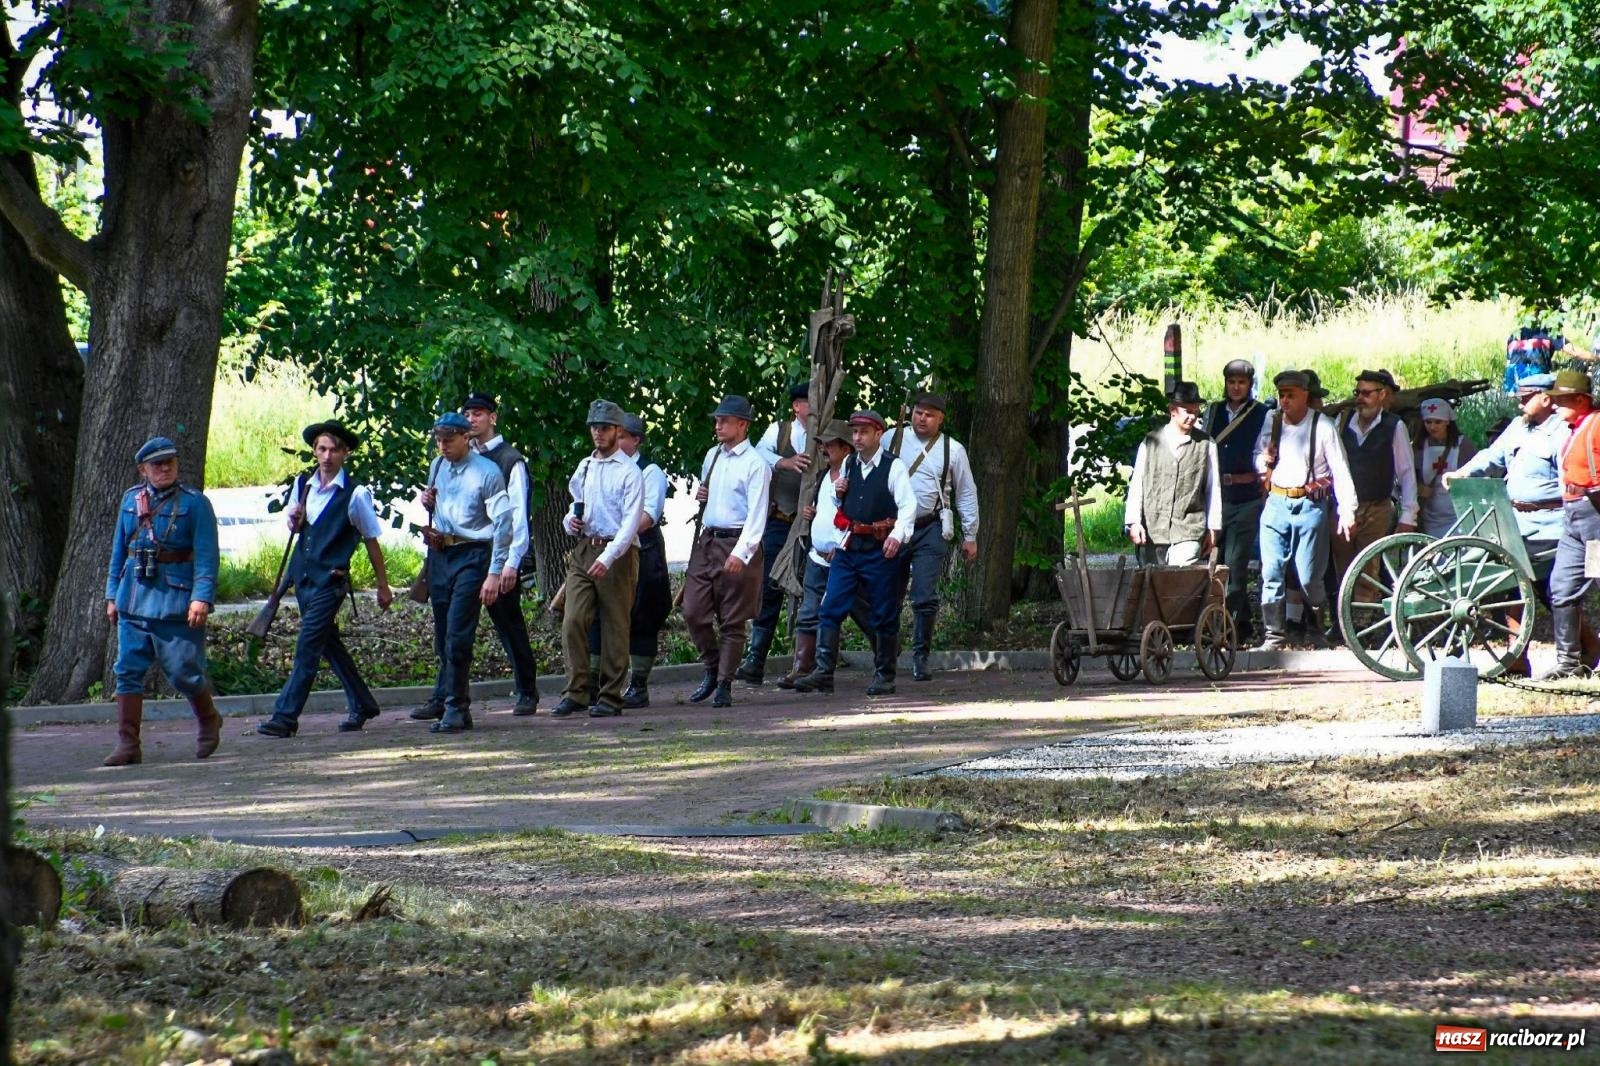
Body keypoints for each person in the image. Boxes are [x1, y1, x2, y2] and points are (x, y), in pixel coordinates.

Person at [1443, 373, 1600, 674]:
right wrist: (1463, 473)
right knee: (1556, 588)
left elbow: (1578, 477)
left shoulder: (1569, 430)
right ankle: (1570, 663)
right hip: (1530, 522)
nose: (1520, 402)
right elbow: (1492, 456)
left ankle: (1568, 653)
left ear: (1547, 397)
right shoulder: (1520, 428)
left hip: (1559, 523)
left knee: (1567, 581)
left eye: (1527, 396)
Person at [256, 421, 393, 738]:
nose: (327, 455)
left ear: (345, 453)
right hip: (302, 578)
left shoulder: (356, 494)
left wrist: (383, 585)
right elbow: (294, 527)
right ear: (314, 451)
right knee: (327, 643)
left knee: (308, 644)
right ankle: (362, 702)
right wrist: (294, 519)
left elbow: (371, 540)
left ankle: (285, 716)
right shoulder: (302, 485)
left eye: (333, 449)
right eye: (321, 449)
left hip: (331, 582)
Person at [102, 436, 222, 766]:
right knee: (126, 670)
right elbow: (119, 552)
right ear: (143, 470)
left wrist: (201, 597)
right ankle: (128, 744)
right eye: (157, 464)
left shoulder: (195, 504)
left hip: (175, 601)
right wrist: (112, 594)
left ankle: (209, 718)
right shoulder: (130, 501)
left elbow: (208, 556)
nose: (165, 468)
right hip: (133, 598)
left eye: (170, 462)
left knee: (185, 673)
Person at [796, 410, 917, 696]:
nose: (858, 438)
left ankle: (885, 675)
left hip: (879, 549)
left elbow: (908, 507)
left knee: (883, 612)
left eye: (864, 432)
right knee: (830, 608)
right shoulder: (849, 464)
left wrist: (897, 537)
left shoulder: (893, 467)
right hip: (849, 549)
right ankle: (824, 672)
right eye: (855, 433)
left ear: (878, 434)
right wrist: (838, 493)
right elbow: (838, 506)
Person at [416, 411, 513, 733]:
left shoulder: (488, 472)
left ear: (465, 438)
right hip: (442, 553)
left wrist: (495, 572)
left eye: (448, 440)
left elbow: (503, 523)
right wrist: (428, 502)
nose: (442, 446)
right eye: (438, 440)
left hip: (473, 555)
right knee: (443, 635)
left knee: (458, 634)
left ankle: (456, 708)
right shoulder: (438, 466)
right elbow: (440, 505)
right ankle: (449, 701)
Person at [550, 401, 644, 718]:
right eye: (594, 427)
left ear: (618, 431)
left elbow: (631, 523)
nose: (598, 433)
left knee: (615, 626)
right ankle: (577, 691)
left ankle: (610, 696)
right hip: (585, 549)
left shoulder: (630, 472)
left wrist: (609, 555)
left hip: (619, 553)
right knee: (573, 619)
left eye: (604, 428)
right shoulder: (586, 466)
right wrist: (570, 522)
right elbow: (577, 505)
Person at [1253, 371, 1358, 651]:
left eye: (1291, 395)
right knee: (1272, 569)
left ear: (1305, 396)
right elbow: (1258, 456)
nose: (1284, 401)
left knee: (1310, 575)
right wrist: (1262, 462)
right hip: (1276, 503)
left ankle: (1315, 628)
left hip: (1310, 505)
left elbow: (1340, 468)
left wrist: (1347, 510)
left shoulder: (1323, 426)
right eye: (1281, 395)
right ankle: (1274, 636)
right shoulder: (1272, 420)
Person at [682, 395, 771, 708]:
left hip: (736, 540)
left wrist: (742, 552)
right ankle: (712, 667)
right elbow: (712, 498)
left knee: (732, 619)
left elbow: (758, 512)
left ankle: (724, 683)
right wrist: (703, 495)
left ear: (742, 425)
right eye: (717, 420)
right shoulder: (713, 456)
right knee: (693, 611)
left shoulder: (756, 464)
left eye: (725, 420)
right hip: (708, 541)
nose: (718, 426)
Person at [775, 419, 878, 688]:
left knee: (859, 611)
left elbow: (857, 515)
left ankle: (885, 650)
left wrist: (839, 545)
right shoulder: (822, 476)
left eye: (829, 444)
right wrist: (813, 515)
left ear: (845, 448)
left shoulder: (855, 477)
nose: (823, 449)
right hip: (816, 556)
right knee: (810, 611)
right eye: (822, 444)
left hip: (844, 557)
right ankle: (805, 667)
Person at [890, 393, 979, 681]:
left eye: (929, 414)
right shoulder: (893, 439)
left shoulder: (952, 450)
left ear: (941, 418)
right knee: (886, 594)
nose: (921, 418)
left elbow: (966, 492)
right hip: (891, 528)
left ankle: (920, 657)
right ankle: (887, 652)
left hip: (929, 527)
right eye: (917, 412)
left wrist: (970, 534)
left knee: (924, 596)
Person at [463, 392, 541, 716]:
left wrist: (512, 562)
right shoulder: (460, 458)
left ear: (493, 417)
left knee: (509, 624)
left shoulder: (511, 460)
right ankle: (447, 695)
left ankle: (527, 689)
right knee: (455, 627)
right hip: (466, 554)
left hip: (499, 553)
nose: (471, 420)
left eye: (478, 413)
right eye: (467, 414)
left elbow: (518, 517)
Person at [586, 412, 671, 708]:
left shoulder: (650, 472)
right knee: (600, 615)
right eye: (615, 436)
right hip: (605, 549)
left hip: (642, 550)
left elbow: (646, 517)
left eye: (622, 437)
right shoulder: (598, 466)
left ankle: (638, 685)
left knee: (642, 616)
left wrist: (618, 534)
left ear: (636, 440)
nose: (616, 441)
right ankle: (594, 683)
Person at [735, 382, 811, 685]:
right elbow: (759, 455)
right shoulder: (778, 431)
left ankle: (806, 664)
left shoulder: (829, 432)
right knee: (769, 587)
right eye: (808, 401)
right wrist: (785, 462)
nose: (814, 406)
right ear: (796, 406)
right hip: (779, 520)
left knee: (811, 588)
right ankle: (755, 659)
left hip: (812, 524)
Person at [1329, 370, 1418, 618]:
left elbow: (1406, 472)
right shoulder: (1343, 421)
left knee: (1368, 568)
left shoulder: (1394, 426)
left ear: (1382, 395)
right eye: (1358, 392)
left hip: (1377, 507)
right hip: (1342, 508)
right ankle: (1343, 619)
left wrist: (1408, 515)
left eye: (1367, 393)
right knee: (1343, 568)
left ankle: (1362, 622)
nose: (1360, 398)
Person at [1202, 359, 1271, 642]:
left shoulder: (1262, 414)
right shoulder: (1214, 412)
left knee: (1236, 563)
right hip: (1217, 496)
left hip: (1246, 498)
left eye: (1242, 382)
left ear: (1250, 384)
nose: (1236, 387)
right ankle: (1240, 624)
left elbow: (1263, 451)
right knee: (1215, 562)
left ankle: (1227, 629)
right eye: (1232, 382)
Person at [1539, 370, 1600, 679]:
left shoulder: (1597, 424)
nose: (1554, 405)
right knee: (1561, 587)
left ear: (1580, 400)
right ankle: (1569, 662)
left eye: (1561, 400)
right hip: (1574, 514)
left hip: (1595, 515)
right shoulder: (1575, 427)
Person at [1124, 381, 1221, 566]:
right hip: (1152, 530)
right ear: (1173, 410)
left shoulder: (1207, 444)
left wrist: (1213, 528)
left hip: (1189, 528)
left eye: (1196, 411)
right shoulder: (1150, 442)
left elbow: (1213, 489)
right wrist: (1133, 522)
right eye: (1188, 411)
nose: (1193, 417)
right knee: (1152, 586)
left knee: (1180, 583)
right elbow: (1137, 485)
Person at [1413, 398, 1479, 538]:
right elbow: (1405, 479)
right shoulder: (1418, 447)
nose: (1432, 427)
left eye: (1438, 422)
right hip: (1429, 516)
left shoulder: (1463, 445)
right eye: (1428, 422)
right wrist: (1418, 488)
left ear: (1448, 422)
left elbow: (1476, 477)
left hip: (1458, 515)